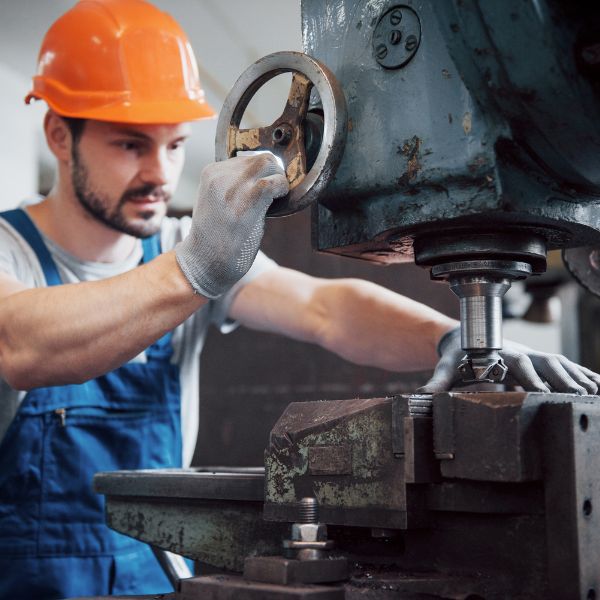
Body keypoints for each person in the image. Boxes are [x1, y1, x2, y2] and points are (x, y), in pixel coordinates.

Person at [0, 1, 598, 598]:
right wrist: (195, 269)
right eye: (131, 145)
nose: (161, 172)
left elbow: (325, 309)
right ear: (59, 134)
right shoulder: (16, 250)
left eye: (175, 145)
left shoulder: (179, 247)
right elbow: (19, 343)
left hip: (156, 572)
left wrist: (453, 339)